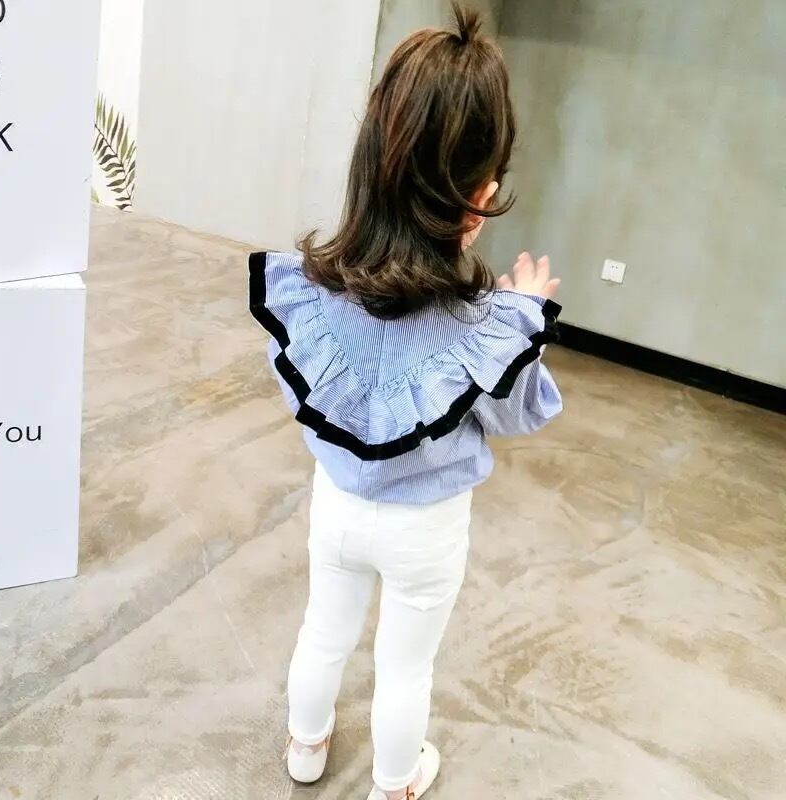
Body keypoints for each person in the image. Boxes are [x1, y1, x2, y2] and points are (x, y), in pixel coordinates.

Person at [248, 5, 562, 798]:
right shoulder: (486, 326)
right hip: (427, 527)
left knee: (323, 630)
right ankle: (396, 782)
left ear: (368, 166)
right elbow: (517, 414)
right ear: (481, 198)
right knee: (405, 664)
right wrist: (525, 318)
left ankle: (305, 749)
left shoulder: (309, 294)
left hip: (336, 504)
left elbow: (295, 384)